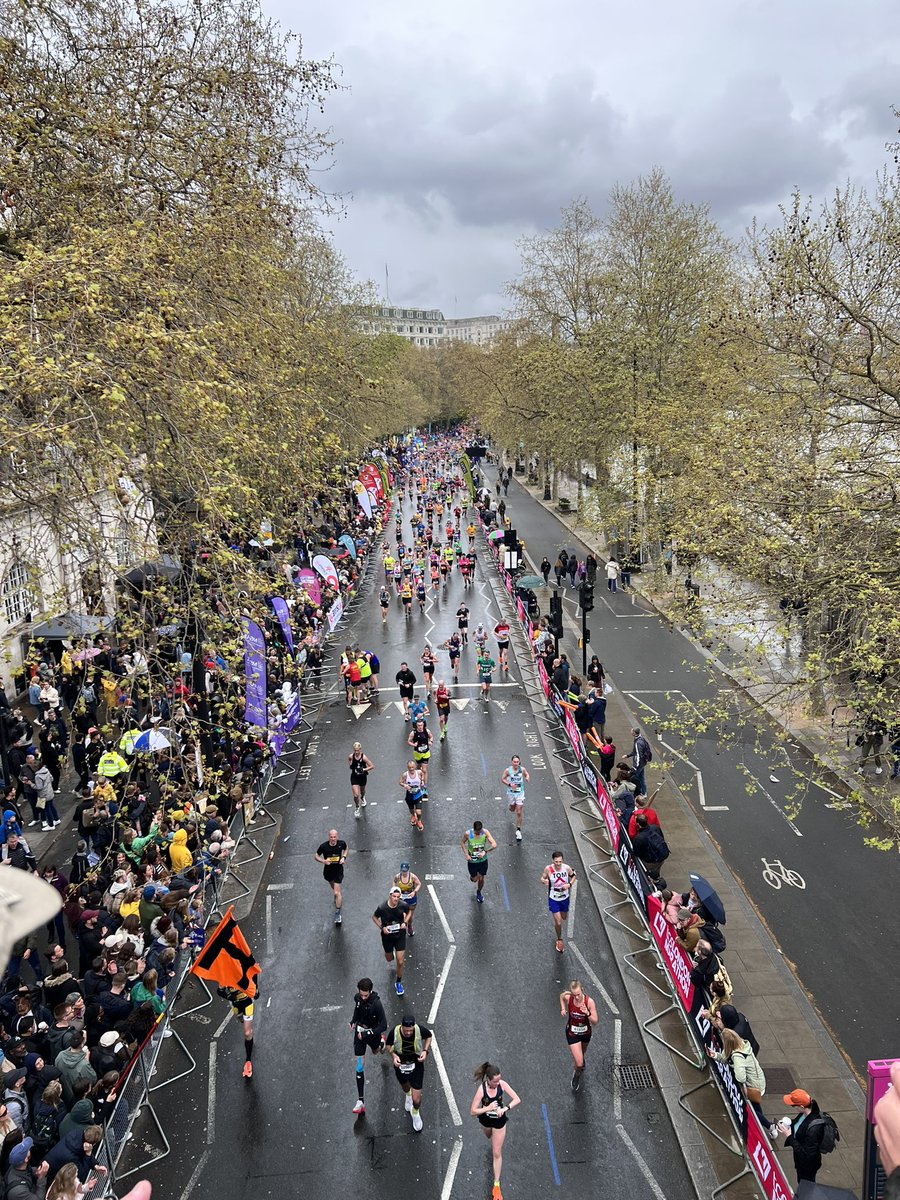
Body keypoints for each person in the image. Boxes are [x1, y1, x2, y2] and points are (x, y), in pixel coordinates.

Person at [470, 1062, 521, 1200]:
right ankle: (494, 1137)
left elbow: (517, 1099)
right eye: (495, 1081)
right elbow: (473, 1111)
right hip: (486, 1120)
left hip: (499, 1121)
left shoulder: (502, 1085)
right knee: (488, 1135)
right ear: (488, 1079)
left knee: (496, 1152)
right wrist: (488, 1108)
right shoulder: (482, 1090)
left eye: (499, 1080)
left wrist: (505, 1109)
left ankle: (496, 1185)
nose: (498, 1083)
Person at [707, 1028, 772, 1132]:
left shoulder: (738, 1057)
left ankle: (769, 1126)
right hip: (758, 1081)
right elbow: (724, 1057)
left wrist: (735, 1067)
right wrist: (715, 1055)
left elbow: (740, 1077)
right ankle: (765, 1124)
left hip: (753, 1086)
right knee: (755, 1105)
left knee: (753, 1112)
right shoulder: (742, 1044)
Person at [349, 977, 387, 1116]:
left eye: (366, 995)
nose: (363, 997)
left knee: (377, 1051)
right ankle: (361, 1101)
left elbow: (383, 1025)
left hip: (372, 1034)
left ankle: (382, 1043)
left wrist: (368, 1033)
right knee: (359, 1065)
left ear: (370, 991)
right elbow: (357, 1011)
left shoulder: (376, 1004)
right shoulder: (358, 999)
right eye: (361, 994)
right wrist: (353, 1021)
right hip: (360, 1033)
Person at [773, 1088, 827, 1186]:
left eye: (793, 1105)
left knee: (806, 1185)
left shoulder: (813, 1130)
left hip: (807, 1166)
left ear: (802, 1106)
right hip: (800, 1162)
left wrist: (789, 1136)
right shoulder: (805, 1113)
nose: (792, 1107)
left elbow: (806, 1155)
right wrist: (788, 1125)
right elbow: (798, 1124)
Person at [389, 1014, 432, 1132]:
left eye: (410, 1030)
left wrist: (425, 1051)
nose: (408, 1033)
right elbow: (388, 1045)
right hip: (401, 1064)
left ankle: (415, 1112)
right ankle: (408, 1094)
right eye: (406, 1030)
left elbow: (429, 1036)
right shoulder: (395, 1032)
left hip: (416, 1064)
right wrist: (393, 1055)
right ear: (401, 1026)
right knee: (404, 1085)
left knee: (417, 1099)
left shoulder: (419, 1030)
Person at [559, 980, 598, 1090]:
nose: (576, 997)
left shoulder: (589, 1002)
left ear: (582, 990)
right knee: (579, 1063)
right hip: (572, 1033)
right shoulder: (569, 997)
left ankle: (580, 1063)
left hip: (585, 1033)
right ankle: (576, 1075)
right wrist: (563, 1008)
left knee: (582, 1053)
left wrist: (587, 1013)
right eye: (574, 994)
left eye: (578, 994)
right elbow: (562, 996)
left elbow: (595, 1021)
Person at [372, 887, 411, 996]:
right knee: (389, 959)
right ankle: (392, 954)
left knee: (400, 961)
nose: (396, 899)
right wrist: (382, 927)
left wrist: (405, 923)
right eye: (394, 896)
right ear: (390, 895)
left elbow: (409, 913)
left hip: (399, 935)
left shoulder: (403, 905)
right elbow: (374, 917)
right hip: (387, 936)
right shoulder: (382, 907)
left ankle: (398, 982)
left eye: (398, 897)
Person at [217, 983, 257, 1078]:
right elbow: (219, 991)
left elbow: (254, 980)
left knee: (247, 1033)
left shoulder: (245, 968)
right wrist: (229, 996)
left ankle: (248, 1061)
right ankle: (250, 1039)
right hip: (236, 1006)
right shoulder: (225, 974)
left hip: (247, 1002)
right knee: (242, 1022)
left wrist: (255, 990)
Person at [540, 852, 576, 953]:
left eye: (560, 861)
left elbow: (573, 876)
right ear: (553, 861)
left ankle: (558, 926)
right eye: (556, 862)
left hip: (564, 897)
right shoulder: (548, 869)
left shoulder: (566, 868)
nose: (558, 864)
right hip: (553, 898)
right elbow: (542, 878)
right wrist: (544, 881)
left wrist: (569, 884)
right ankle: (559, 939)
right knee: (559, 922)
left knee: (564, 917)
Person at [315, 830, 347, 925]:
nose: (333, 839)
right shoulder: (323, 846)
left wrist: (344, 857)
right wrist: (323, 861)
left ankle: (337, 913)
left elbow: (346, 849)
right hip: (328, 872)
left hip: (338, 871)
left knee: (337, 893)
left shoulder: (342, 843)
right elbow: (316, 856)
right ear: (329, 837)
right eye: (331, 837)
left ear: (337, 836)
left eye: (334, 837)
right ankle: (338, 898)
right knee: (334, 889)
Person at [460, 820, 496, 903]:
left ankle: (479, 892)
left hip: (482, 861)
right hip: (472, 861)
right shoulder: (468, 834)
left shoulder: (485, 832)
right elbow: (462, 843)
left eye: (480, 832)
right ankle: (473, 877)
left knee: (481, 878)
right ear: (474, 829)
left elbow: (494, 844)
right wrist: (466, 854)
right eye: (477, 832)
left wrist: (485, 851)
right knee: (475, 879)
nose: (478, 833)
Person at [500, 755, 529, 842]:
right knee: (512, 809)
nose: (516, 763)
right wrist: (509, 784)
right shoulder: (508, 770)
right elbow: (503, 779)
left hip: (520, 793)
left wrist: (527, 777)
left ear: (519, 762)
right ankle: (511, 805)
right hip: (511, 793)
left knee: (519, 811)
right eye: (514, 762)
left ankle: (518, 830)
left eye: (517, 762)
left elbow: (526, 774)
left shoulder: (522, 769)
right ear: (512, 762)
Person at [393, 863, 422, 935]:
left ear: (408, 870)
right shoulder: (398, 876)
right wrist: (395, 890)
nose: (404, 873)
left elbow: (419, 884)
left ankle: (410, 926)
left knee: (410, 914)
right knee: (401, 914)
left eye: (405, 871)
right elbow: (394, 882)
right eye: (403, 871)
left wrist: (414, 891)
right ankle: (402, 927)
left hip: (411, 898)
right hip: (401, 897)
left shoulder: (412, 877)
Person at [348, 742, 373, 819]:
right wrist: (351, 765)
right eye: (355, 750)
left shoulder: (364, 757)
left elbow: (372, 766)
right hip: (354, 777)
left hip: (362, 777)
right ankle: (357, 807)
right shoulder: (351, 756)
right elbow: (349, 761)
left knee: (362, 791)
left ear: (360, 749)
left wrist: (364, 769)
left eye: (358, 750)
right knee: (355, 795)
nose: (356, 752)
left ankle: (363, 797)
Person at [407, 720, 433, 789]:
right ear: (416, 726)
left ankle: (424, 786)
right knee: (418, 769)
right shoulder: (413, 733)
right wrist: (413, 744)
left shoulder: (427, 731)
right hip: (417, 753)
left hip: (426, 753)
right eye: (418, 725)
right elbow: (409, 741)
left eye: (421, 725)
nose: (420, 727)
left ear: (423, 725)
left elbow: (431, 737)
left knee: (424, 770)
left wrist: (431, 741)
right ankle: (419, 781)